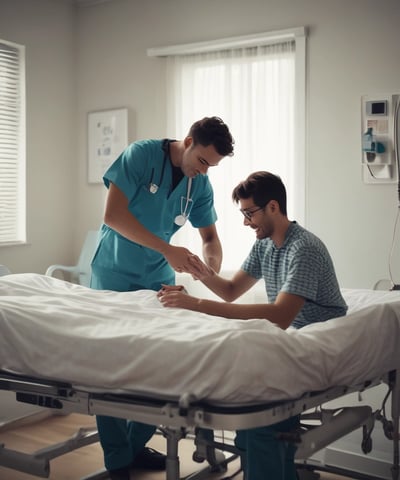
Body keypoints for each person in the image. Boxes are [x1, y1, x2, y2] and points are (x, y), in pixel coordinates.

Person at [158, 170, 348, 480]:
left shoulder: (305, 249)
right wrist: (199, 273)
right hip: (288, 337)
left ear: (273, 207)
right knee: (248, 422)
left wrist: (198, 305)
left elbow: (281, 315)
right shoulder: (265, 245)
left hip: (315, 338)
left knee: (261, 426)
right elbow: (231, 291)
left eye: (249, 213)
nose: (246, 222)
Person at [89, 116, 234, 480]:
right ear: (187, 141)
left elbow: (210, 239)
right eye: (202, 161)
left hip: (158, 279)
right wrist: (167, 248)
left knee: (160, 364)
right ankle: (119, 459)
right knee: (109, 366)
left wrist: (210, 268)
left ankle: (135, 445)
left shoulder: (199, 185)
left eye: (211, 166)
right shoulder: (141, 156)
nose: (203, 172)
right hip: (114, 272)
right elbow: (113, 215)